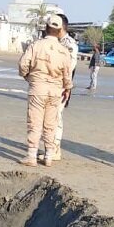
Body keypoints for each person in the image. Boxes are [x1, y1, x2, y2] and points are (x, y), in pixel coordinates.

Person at [18, 15, 73, 167]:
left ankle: (31, 155)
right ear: (60, 30)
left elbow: (23, 65)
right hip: (56, 90)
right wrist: (67, 89)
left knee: (35, 123)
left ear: (46, 28)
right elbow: (67, 74)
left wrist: (28, 77)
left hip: (38, 88)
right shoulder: (64, 50)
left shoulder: (36, 45)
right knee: (51, 124)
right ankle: (48, 155)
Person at [49, 13, 78, 162]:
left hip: (61, 86)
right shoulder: (53, 41)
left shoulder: (69, 44)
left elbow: (69, 67)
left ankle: (55, 150)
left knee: (56, 118)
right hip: (50, 85)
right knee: (49, 118)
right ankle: (51, 148)